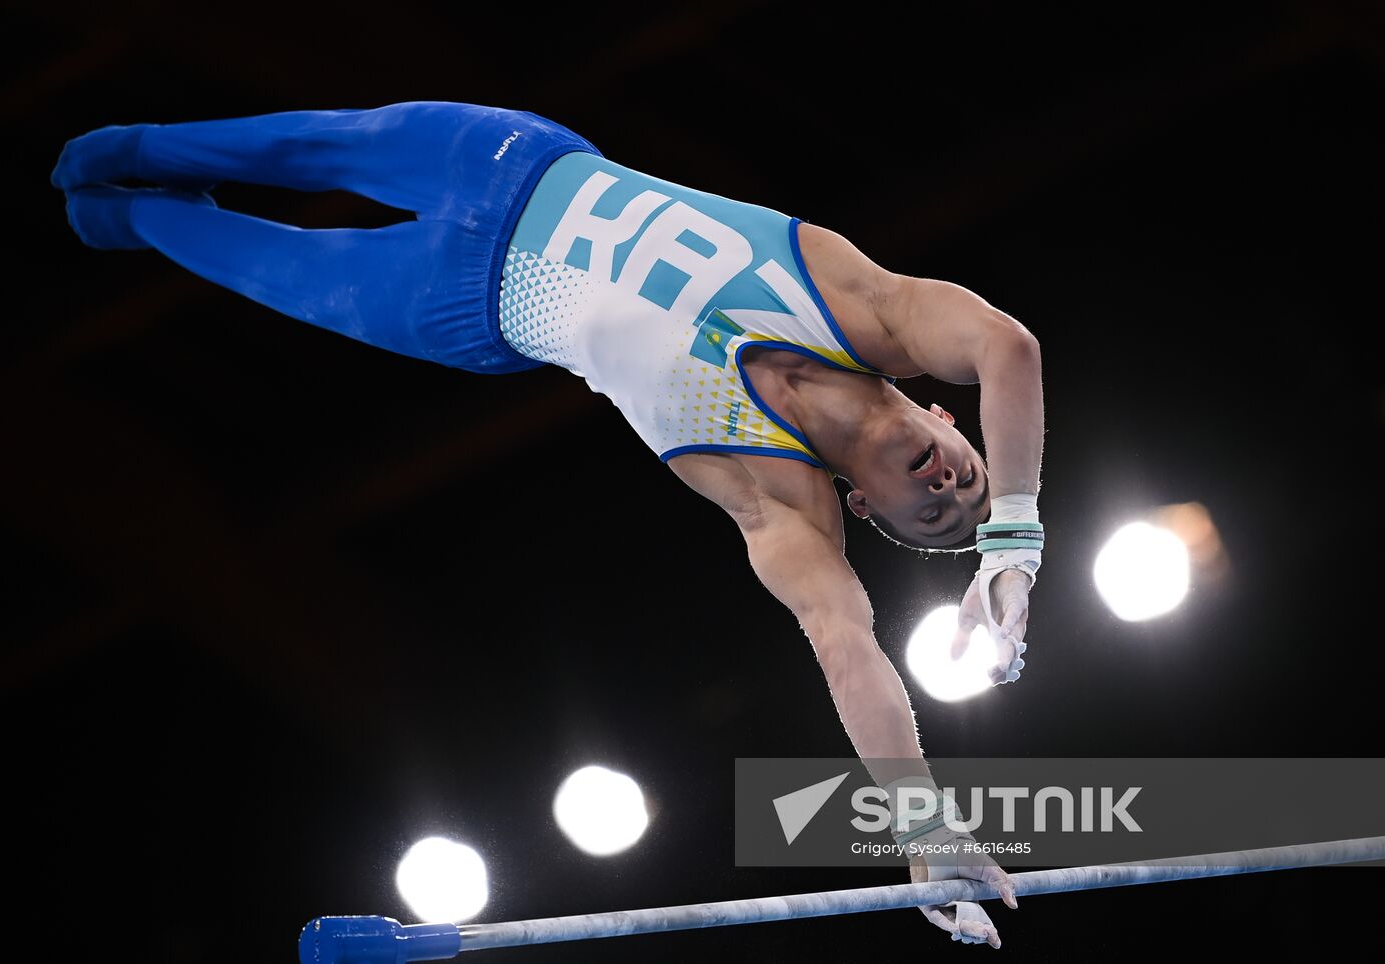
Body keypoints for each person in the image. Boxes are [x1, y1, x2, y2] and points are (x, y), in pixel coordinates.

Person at [51, 100, 1043, 947]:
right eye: (967, 481)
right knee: (288, 145)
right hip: (519, 156)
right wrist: (1008, 541)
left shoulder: (778, 501)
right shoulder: (869, 306)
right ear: (942, 411)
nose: (950, 488)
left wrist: (922, 826)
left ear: (867, 507)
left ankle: (132, 220)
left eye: (934, 513)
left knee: (258, 256)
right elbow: (1008, 343)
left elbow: (844, 643)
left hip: (470, 303)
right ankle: (132, 152)